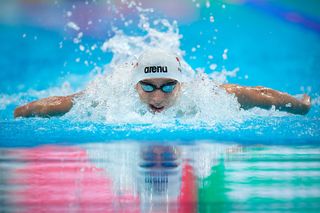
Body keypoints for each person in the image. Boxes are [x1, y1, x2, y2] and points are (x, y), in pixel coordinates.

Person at [13, 49, 311, 118]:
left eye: (168, 86)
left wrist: (299, 106)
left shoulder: (201, 95)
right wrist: (23, 111)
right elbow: (64, 102)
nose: (159, 96)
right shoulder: (112, 95)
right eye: (148, 86)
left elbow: (257, 95)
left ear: (181, 84)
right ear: (134, 84)